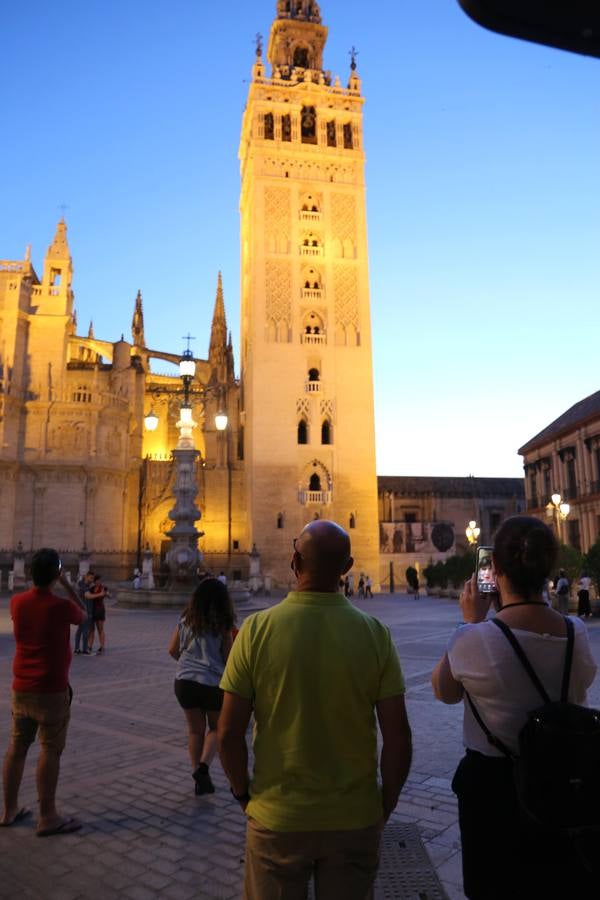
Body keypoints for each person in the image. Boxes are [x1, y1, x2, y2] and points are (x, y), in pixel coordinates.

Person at [218, 520, 412, 900]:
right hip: (355, 818)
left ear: (294, 561)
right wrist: (385, 804)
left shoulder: (256, 630)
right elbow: (399, 738)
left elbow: (227, 735)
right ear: (348, 567)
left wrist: (243, 796)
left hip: (277, 818)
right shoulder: (375, 634)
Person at [432, 516, 597, 899]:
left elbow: (444, 691)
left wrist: (469, 621)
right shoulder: (578, 632)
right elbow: (581, 683)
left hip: (493, 792)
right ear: (547, 568)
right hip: (566, 782)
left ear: (496, 571)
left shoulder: (475, 638)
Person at [1, 548, 86, 835]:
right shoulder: (61, 607)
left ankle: (9, 809)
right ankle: (47, 815)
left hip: (21, 687)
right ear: (56, 574)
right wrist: (65, 584)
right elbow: (83, 615)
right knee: (50, 748)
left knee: (17, 746)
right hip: (51, 689)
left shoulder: (17, 603)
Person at [168, 577, 235, 796]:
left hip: (184, 682)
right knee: (215, 728)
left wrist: (186, 663)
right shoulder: (224, 624)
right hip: (212, 683)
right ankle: (204, 768)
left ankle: (197, 773)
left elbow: (172, 650)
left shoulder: (186, 619)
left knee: (195, 730)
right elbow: (228, 658)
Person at [74, 571, 94, 655]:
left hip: (83, 609)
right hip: (84, 610)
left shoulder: (84, 584)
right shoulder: (83, 585)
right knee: (85, 630)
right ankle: (84, 649)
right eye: (91, 578)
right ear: (87, 576)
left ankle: (77, 649)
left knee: (80, 629)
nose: (92, 580)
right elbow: (87, 596)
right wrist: (100, 594)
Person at [88, 573, 107, 654]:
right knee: (91, 630)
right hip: (92, 610)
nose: (99, 582)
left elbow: (108, 594)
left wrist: (107, 594)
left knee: (100, 629)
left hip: (100, 610)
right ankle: (89, 646)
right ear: (95, 581)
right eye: (97, 580)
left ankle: (102, 646)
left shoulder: (103, 588)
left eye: (100, 580)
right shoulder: (91, 588)